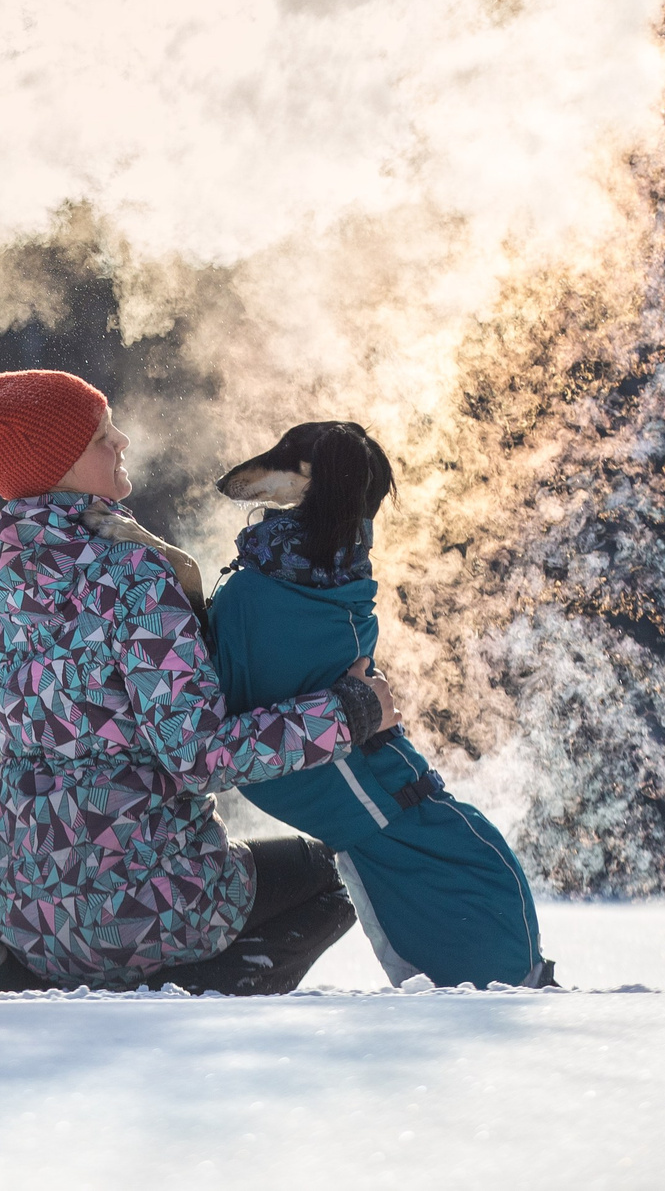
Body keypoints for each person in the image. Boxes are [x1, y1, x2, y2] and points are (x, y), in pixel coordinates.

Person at [0, 369, 396, 995]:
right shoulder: (131, 574)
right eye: (102, 436)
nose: (123, 441)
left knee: (102, 899)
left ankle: (29, 969)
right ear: (61, 466)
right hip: (137, 906)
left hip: (16, 902)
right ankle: (178, 993)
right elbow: (201, 754)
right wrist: (349, 712)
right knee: (340, 870)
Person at [206, 421, 553, 989]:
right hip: (431, 839)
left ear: (317, 480)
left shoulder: (271, 593)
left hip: (428, 854)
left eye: (285, 458)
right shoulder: (322, 586)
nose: (253, 473)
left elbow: (218, 706)